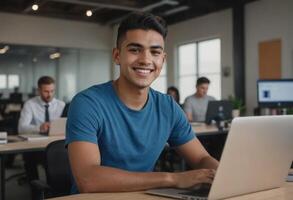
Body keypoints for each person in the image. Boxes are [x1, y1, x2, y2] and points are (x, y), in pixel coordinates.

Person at [66, 12, 218, 194]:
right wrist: (174, 178)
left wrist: (219, 175)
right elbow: (88, 179)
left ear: (163, 59)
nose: (146, 60)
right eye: (135, 49)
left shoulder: (168, 107)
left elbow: (201, 158)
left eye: (155, 52)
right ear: (117, 56)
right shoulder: (87, 104)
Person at [18, 76, 65, 199]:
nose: (49, 94)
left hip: (54, 142)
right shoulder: (30, 104)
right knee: (30, 158)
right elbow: (21, 127)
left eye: (52, 91)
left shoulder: (61, 104)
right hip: (34, 144)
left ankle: (56, 192)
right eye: (46, 91)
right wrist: (39, 127)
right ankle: (36, 192)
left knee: (62, 156)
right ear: (39, 90)